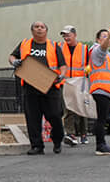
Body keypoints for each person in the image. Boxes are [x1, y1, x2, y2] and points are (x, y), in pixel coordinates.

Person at [8, 21, 67, 154]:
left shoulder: (54, 45)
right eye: (36, 27)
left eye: (42, 27)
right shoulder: (24, 44)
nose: (39, 29)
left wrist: (62, 75)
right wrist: (14, 61)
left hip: (50, 87)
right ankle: (37, 146)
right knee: (33, 118)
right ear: (32, 30)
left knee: (55, 115)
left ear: (46, 30)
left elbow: (62, 65)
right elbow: (12, 56)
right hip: (30, 86)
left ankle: (57, 140)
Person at [87, 27, 110, 156]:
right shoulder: (96, 51)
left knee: (103, 118)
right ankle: (100, 145)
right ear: (97, 39)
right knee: (101, 119)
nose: (107, 39)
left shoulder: (106, 54)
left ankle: (101, 144)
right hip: (101, 90)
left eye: (108, 37)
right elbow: (102, 47)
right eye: (104, 36)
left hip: (105, 91)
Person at [58, 24, 89, 146]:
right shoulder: (60, 47)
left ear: (75, 35)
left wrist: (87, 73)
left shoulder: (84, 48)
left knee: (81, 109)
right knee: (68, 109)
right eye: (64, 35)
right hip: (65, 83)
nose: (66, 37)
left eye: (68, 35)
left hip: (80, 82)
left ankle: (83, 134)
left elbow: (88, 64)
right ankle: (70, 134)